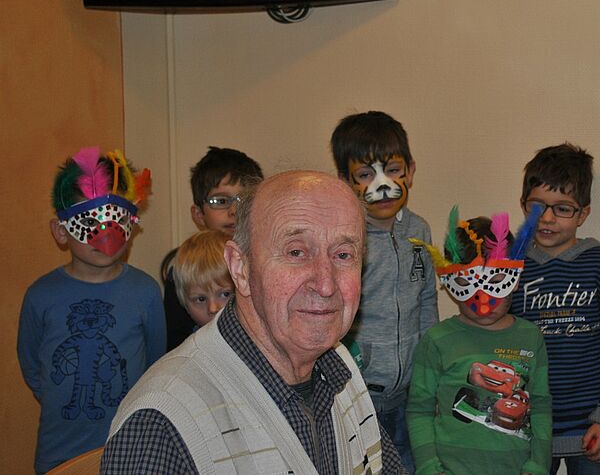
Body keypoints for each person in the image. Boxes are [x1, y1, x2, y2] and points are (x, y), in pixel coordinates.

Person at [102, 170, 404, 473]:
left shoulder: (340, 366)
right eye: (296, 252)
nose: (325, 285)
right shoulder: (162, 426)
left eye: (343, 255)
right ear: (241, 268)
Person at [17, 147, 163, 473]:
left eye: (117, 220)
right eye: (89, 221)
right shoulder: (41, 295)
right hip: (59, 451)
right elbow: (31, 364)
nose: (106, 234)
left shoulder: (146, 291)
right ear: (61, 231)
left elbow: (155, 362)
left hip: (129, 448)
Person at [509, 143, 600, 474]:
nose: (547, 218)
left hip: (593, 428)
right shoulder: (511, 267)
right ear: (523, 205)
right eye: (537, 206)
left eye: (563, 208)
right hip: (529, 427)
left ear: (583, 214)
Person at [331, 110, 439, 472]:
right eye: (365, 175)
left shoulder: (419, 231)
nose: (382, 185)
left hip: (409, 393)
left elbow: (427, 299)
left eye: (393, 170)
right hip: (360, 392)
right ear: (345, 181)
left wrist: (430, 367)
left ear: (410, 170)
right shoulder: (345, 236)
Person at [407, 210, 551, 474]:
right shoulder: (437, 340)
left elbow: (540, 404)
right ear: (449, 282)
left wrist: (538, 464)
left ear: (515, 280)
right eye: (468, 283)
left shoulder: (531, 337)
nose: (483, 299)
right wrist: (428, 467)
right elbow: (419, 409)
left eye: (495, 281)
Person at [160, 146, 263, 350]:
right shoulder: (184, 268)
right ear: (199, 215)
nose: (234, 210)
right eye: (221, 201)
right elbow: (175, 343)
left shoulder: (267, 261)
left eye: (244, 200)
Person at [171, 229, 234, 329]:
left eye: (225, 294)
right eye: (201, 299)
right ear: (186, 305)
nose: (213, 309)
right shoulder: (193, 340)